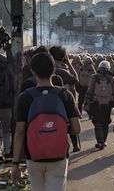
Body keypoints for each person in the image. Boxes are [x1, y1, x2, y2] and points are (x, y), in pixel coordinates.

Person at [12, 52, 81, 191]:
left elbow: (19, 131)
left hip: (33, 155)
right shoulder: (65, 95)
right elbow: (77, 129)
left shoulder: (25, 97)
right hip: (59, 154)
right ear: (54, 70)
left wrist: (15, 164)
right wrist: (59, 130)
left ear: (33, 71)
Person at [49, 46, 81, 153]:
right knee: (72, 122)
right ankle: (74, 145)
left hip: (51, 103)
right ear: (63, 57)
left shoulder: (49, 69)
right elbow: (76, 79)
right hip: (66, 101)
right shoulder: (63, 71)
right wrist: (69, 63)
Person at [84, 61, 114, 150]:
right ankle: (103, 141)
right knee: (105, 122)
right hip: (108, 104)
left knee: (97, 122)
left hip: (96, 103)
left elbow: (90, 90)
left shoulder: (94, 77)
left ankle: (100, 141)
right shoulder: (111, 78)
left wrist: (86, 101)